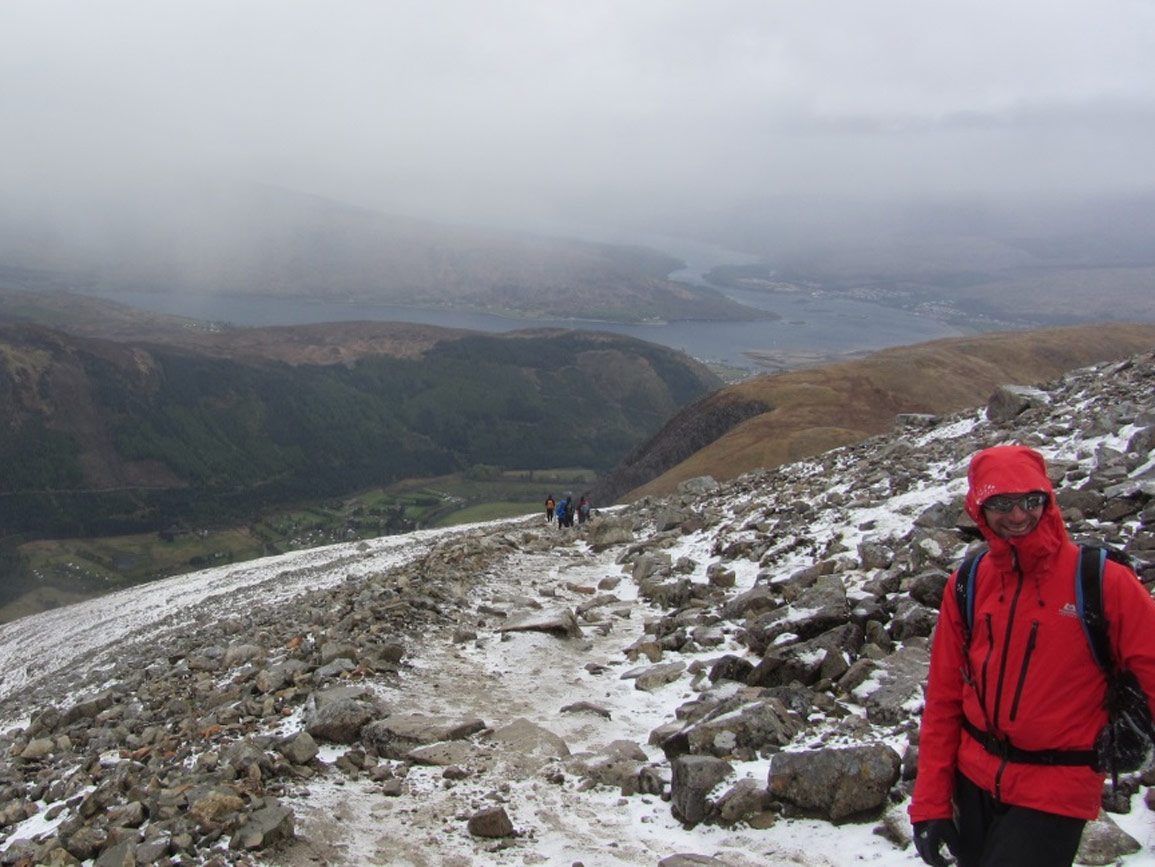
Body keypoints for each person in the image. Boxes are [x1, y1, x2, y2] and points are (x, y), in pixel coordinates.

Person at [910, 444, 1155, 867]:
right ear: (978, 508)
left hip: (1056, 789)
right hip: (973, 781)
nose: (1019, 515)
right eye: (1001, 503)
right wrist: (930, 803)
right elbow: (945, 698)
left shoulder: (1102, 582)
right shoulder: (968, 584)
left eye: (1031, 500)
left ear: (1048, 499)